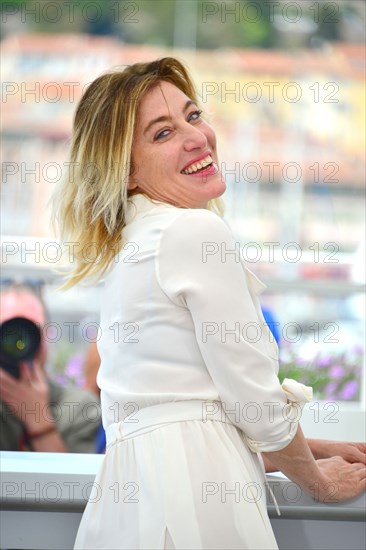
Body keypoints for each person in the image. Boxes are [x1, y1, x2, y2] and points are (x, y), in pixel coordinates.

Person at [52, 58, 365, 549]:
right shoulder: (193, 231)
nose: (196, 137)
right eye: (162, 133)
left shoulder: (132, 245)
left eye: (192, 116)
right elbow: (253, 400)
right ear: (127, 171)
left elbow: (176, 410)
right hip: (197, 503)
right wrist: (320, 482)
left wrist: (310, 447)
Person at [0, 283, 101, 453]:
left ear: (46, 338)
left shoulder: (79, 407)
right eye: (6, 332)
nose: (19, 342)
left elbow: (75, 479)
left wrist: (39, 420)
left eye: (30, 330)